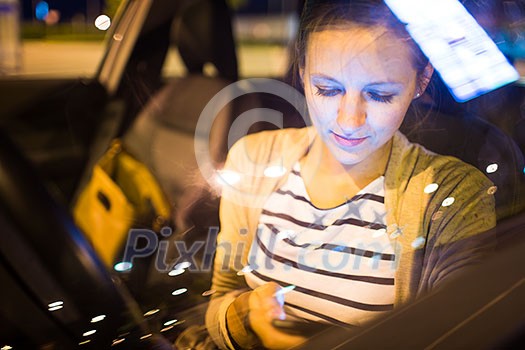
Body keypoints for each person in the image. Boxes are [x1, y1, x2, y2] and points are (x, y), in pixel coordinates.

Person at [204, 1, 496, 349]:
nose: (348, 120)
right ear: (302, 70)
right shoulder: (253, 159)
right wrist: (245, 315)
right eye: (328, 89)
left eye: (379, 95)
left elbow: (458, 334)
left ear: (422, 80)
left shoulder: (453, 196)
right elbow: (222, 293)